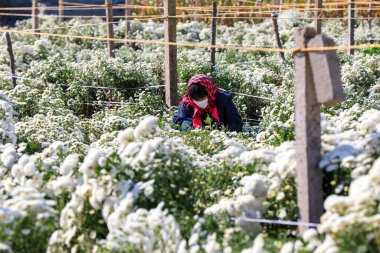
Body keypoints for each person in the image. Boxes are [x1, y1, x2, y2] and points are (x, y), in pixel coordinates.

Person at [172, 74, 243, 132]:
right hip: (195, 138)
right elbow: (176, 123)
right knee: (186, 123)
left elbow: (235, 122)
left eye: (202, 98)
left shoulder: (223, 100)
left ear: (209, 93)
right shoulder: (187, 102)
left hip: (220, 134)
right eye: (196, 99)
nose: (199, 102)